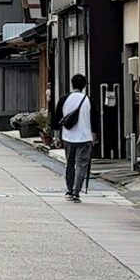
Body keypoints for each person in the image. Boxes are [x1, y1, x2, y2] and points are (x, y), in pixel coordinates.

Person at [57, 72, 96, 201]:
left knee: (69, 164)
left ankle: (69, 190)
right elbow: (95, 121)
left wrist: (57, 136)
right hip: (85, 138)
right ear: (84, 86)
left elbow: (57, 119)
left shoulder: (63, 99)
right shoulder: (89, 100)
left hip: (68, 137)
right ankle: (76, 191)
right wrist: (94, 137)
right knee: (81, 165)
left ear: (72, 84)